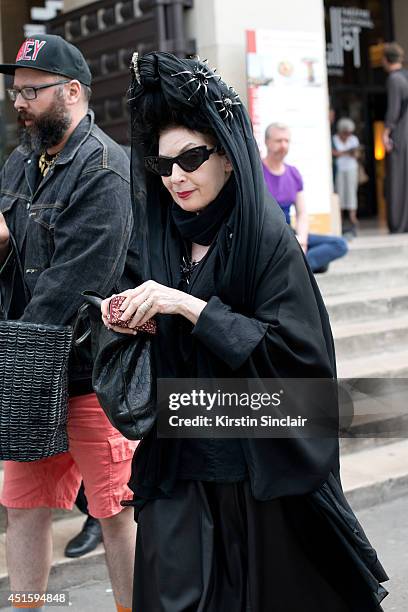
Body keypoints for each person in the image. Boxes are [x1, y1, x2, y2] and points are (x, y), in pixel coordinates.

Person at [101, 52, 388, 611]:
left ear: (228, 160)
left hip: (254, 477)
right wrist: (129, 317)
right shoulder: (160, 235)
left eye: (191, 158)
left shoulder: (266, 242)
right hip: (179, 462)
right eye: (164, 166)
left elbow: (297, 361)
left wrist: (189, 307)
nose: (177, 176)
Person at [0, 34, 136, 612]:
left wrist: (10, 357)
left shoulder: (105, 170)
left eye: (32, 91)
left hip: (88, 371)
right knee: (24, 504)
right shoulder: (20, 160)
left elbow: (73, 285)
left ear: (73, 91)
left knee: (114, 508)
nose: (19, 102)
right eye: (15, 92)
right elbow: (13, 241)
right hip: (30, 362)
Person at [263, 122, 348, 272]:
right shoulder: (257, 171)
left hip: (291, 233)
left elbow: (302, 213)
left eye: (286, 141)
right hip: (269, 237)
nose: (283, 145)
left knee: (339, 244)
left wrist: (302, 240)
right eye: (278, 141)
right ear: (267, 142)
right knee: (321, 263)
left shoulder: (293, 173)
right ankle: (300, 266)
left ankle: (293, 267)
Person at [382, 41, 408, 233]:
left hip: (401, 134)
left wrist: (385, 132)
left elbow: (394, 110)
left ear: (385, 60)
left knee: (397, 179)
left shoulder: (394, 79)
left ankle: (398, 223)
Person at [332, 117, 360, 235]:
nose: (347, 135)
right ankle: (341, 218)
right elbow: (333, 153)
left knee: (351, 192)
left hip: (351, 168)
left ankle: (353, 217)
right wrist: (347, 152)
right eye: (345, 133)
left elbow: (357, 154)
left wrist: (342, 153)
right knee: (340, 192)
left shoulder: (353, 139)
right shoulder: (334, 139)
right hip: (340, 169)